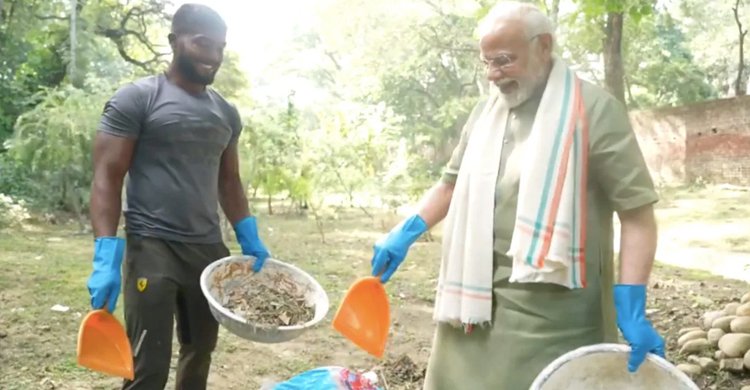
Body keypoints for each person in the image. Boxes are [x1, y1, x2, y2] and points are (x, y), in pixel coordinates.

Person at [369, 2, 665, 389]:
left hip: (554, 321)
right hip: (470, 311)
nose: (493, 75)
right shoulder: (485, 114)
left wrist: (631, 301)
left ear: (544, 46)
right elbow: (450, 184)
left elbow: (637, 214)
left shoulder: (595, 111)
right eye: (487, 62)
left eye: (504, 61)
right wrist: (405, 231)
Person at [85, 4, 270, 389]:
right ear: (175, 41)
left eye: (220, 47)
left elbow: (230, 180)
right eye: (203, 44)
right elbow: (107, 176)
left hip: (207, 252)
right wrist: (106, 254)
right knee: (148, 365)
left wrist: (248, 234)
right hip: (152, 247)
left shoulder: (226, 113)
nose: (213, 56)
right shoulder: (137, 98)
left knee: (199, 352)